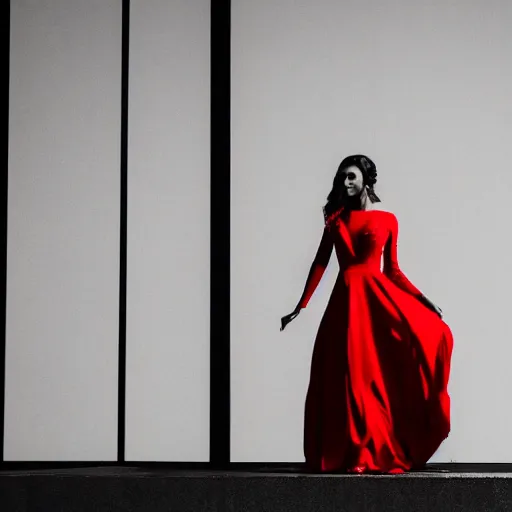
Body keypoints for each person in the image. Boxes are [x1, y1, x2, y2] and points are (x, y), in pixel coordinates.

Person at [280, 155, 453, 474]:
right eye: (342, 178)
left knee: (372, 379)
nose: (345, 183)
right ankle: (347, 452)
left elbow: (394, 271)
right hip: (344, 306)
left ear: (365, 180)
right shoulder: (335, 220)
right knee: (343, 379)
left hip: (373, 303)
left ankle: (371, 450)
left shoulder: (387, 219)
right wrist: (300, 306)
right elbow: (320, 263)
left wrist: (424, 300)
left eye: (350, 177)